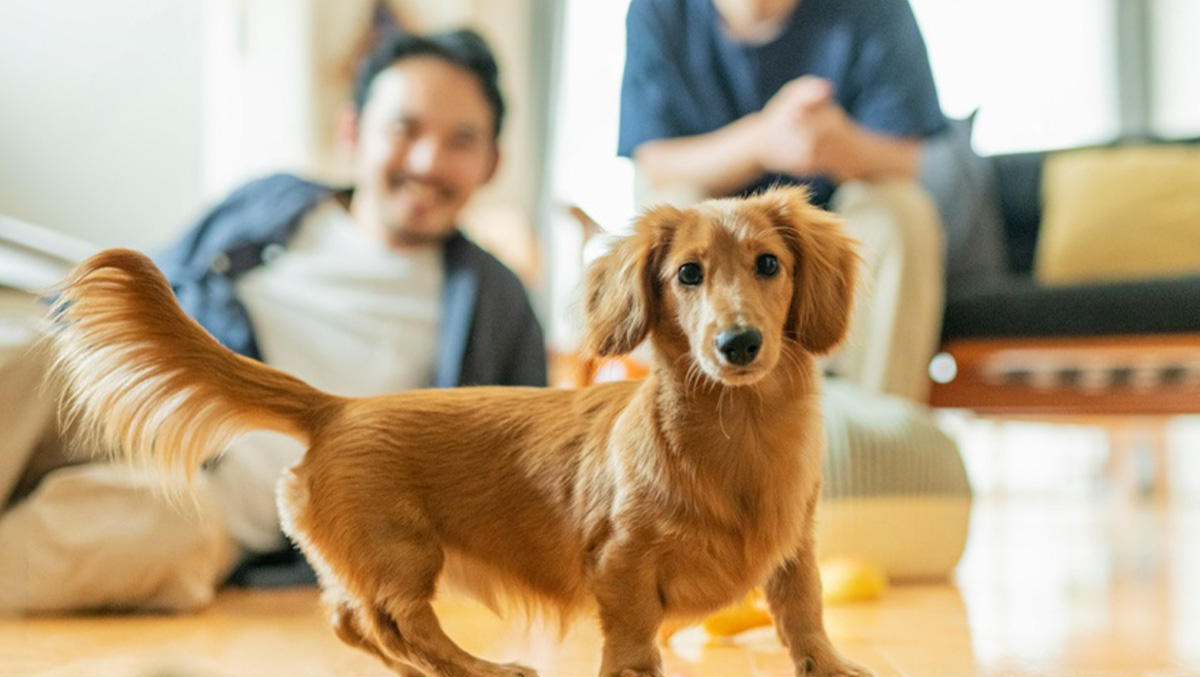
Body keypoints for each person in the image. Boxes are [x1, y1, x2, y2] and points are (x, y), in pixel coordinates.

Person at [0, 28, 546, 612]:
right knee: (34, 355)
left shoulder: (498, 304)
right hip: (135, 395)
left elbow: (521, 479)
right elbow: (141, 292)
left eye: (461, 141)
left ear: (492, 163)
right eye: (404, 128)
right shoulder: (268, 202)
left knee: (146, 531)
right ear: (352, 131)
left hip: (215, 497)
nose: (427, 161)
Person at [618, 0, 947, 402]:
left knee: (903, 213)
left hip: (831, 221)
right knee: (672, 199)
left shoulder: (878, 9)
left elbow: (907, 162)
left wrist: (840, 144)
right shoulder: (657, 10)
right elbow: (656, 163)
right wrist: (761, 142)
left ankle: (874, 436)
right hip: (707, 221)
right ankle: (687, 429)